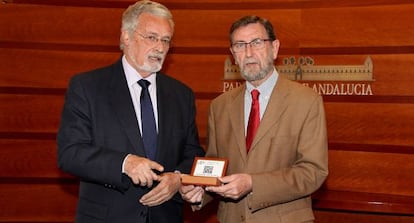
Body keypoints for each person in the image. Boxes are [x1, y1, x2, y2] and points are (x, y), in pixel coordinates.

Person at [56, 1, 205, 223]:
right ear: (126, 36)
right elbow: (70, 153)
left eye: (166, 40)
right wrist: (125, 163)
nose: (160, 48)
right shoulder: (88, 87)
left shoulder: (181, 95)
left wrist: (178, 178)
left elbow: (192, 153)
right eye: (152, 37)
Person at [180, 15, 328, 223]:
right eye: (240, 45)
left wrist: (253, 183)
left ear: (274, 48)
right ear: (233, 55)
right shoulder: (219, 106)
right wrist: (199, 192)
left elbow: (313, 172)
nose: (249, 53)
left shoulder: (306, 101)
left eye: (257, 43)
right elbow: (214, 167)